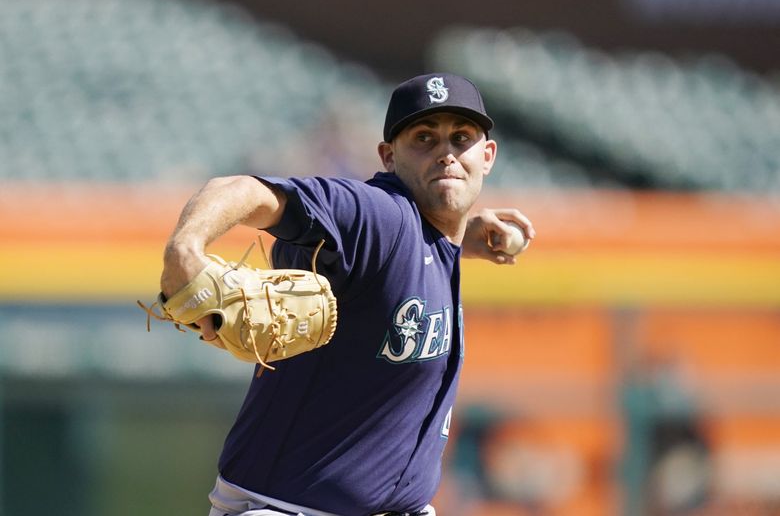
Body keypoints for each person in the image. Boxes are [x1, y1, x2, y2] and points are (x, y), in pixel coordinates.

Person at [160, 73, 535, 516]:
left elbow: (417, 246)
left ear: (487, 155)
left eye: (461, 137)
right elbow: (239, 190)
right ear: (388, 156)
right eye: (423, 138)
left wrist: (456, 238)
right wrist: (185, 248)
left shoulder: (432, 239)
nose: (446, 152)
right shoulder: (376, 216)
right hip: (285, 508)